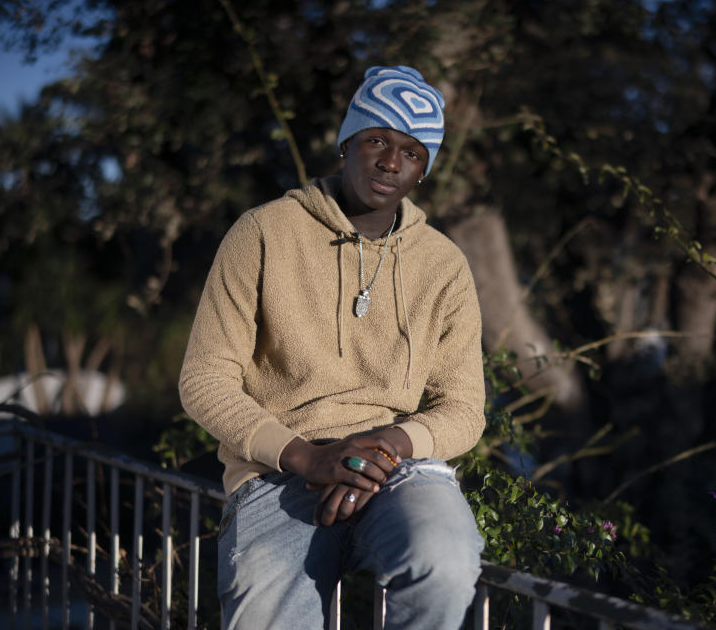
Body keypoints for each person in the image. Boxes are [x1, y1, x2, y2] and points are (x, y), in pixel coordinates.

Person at [179, 65, 486, 629]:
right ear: (347, 143)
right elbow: (204, 379)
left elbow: (463, 408)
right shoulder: (264, 231)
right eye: (377, 141)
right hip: (277, 472)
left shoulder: (443, 265)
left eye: (413, 152)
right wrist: (309, 457)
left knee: (444, 560)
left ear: (425, 170)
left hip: (396, 469)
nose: (391, 162)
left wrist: (385, 447)